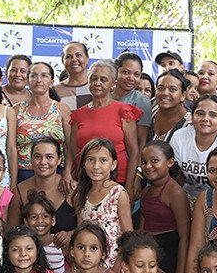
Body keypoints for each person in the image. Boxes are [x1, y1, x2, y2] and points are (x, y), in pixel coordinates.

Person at [68, 60, 141, 197]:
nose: (97, 83)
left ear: (113, 84)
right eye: (93, 78)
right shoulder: (78, 115)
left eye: (103, 80)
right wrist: (67, 174)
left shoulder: (123, 111)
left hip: (117, 180)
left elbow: (134, 152)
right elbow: (72, 152)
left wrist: (130, 185)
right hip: (85, 180)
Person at [171, 94, 217, 201]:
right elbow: (174, 177)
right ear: (191, 117)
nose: (205, 119)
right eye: (200, 113)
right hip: (185, 197)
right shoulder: (179, 137)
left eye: (213, 115)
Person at [8, 137, 76, 249]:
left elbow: (87, 226)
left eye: (49, 157)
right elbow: (11, 232)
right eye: (37, 157)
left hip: (69, 258)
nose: (43, 162)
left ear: (59, 160)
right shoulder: (20, 192)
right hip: (31, 260)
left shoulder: (72, 189)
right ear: (31, 160)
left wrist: (71, 234)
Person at [74, 139, 133, 270]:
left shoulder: (118, 194)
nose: (96, 166)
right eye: (90, 160)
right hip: (88, 264)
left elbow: (128, 237)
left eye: (103, 160)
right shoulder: (80, 195)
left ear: (113, 165)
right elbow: (80, 233)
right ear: (83, 164)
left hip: (113, 265)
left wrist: (116, 271)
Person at [138, 141, 190, 273]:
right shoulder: (146, 191)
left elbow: (185, 238)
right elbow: (142, 230)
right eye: (144, 162)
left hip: (169, 254)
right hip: (150, 251)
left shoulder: (175, 193)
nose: (148, 166)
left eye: (154, 161)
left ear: (170, 162)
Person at [13, 61, 72, 184]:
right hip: (23, 173)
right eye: (34, 75)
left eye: (44, 75)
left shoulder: (62, 109)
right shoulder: (17, 109)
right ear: (28, 81)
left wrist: (67, 172)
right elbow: (11, 147)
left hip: (55, 172)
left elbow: (69, 146)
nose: (38, 80)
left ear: (51, 82)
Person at [112, 52, 155, 156]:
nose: (131, 78)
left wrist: (137, 167)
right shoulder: (105, 96)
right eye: (126, 72)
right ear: (115, 71)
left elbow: (141, 141)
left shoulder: (142, 101)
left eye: (136, 75)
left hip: (126, 159)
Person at [21, 191, 67, 273]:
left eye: (45, 216)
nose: (40, 221)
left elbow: (73, 270)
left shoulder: (60, 243)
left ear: (53, 220)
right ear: (26, 222)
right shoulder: (24, 248)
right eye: (34, 217)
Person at [148, 70, 191, 142]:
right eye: (160, 88)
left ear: (183, 95)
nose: (165, 93)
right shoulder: (151, 108)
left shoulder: (189, 124)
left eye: (172, 89)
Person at [54, 41, 92, 111]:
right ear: (63, 61)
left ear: (87, 59)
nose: (74, 59)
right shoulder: (55, 91)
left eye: (78, 55)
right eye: (68, 57)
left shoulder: (97, 87)